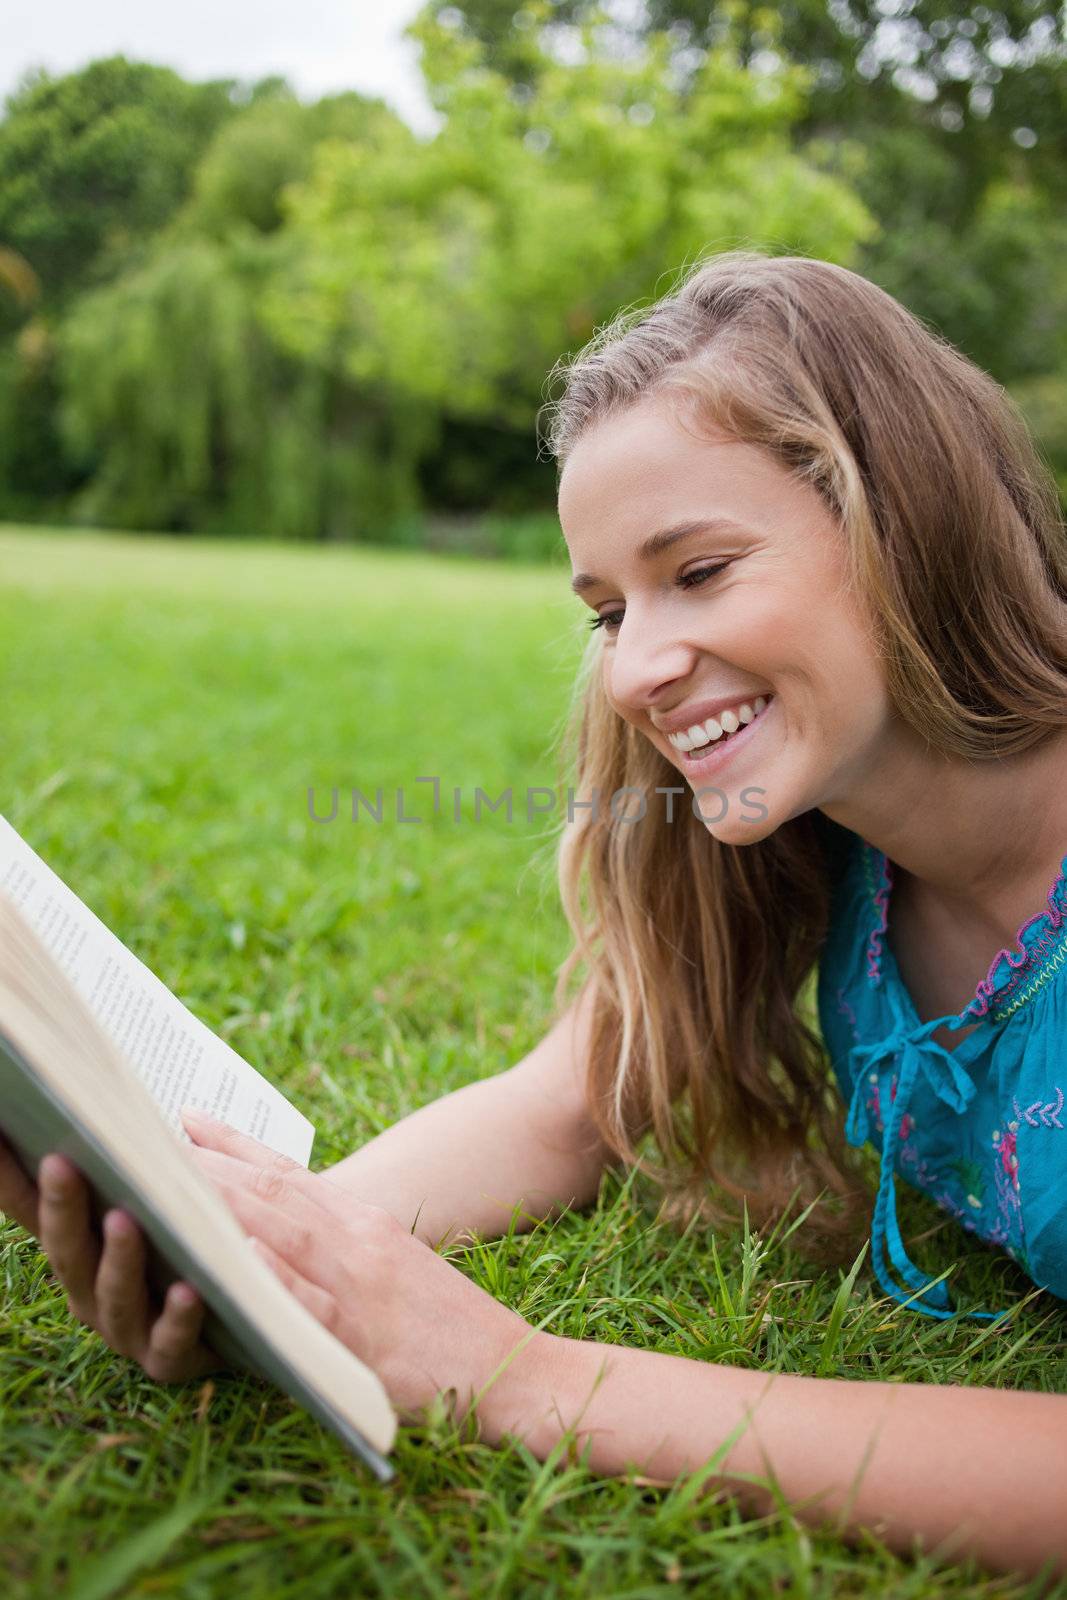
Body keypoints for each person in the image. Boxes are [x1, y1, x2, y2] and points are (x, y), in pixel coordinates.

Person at [2, 249, 1066, 1580]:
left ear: (900, 516)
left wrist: (519, 1374)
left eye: (704, 570)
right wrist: (281, 1253)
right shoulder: (817, 841)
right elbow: (567, 1101)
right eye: (609, 609)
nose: (635, 669)